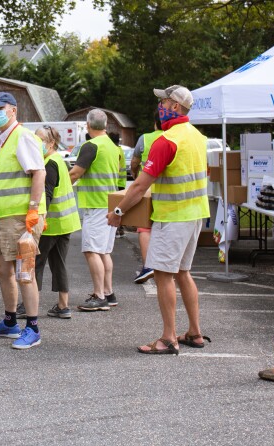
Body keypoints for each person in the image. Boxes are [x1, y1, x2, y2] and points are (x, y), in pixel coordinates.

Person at [108, 85, 210, 354]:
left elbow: (140, 186)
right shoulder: (198, 137)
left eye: (163, 101)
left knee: (164, 275)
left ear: (175, 107)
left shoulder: (167, 140)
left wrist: (118, 213)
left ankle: (168, 338)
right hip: (195, 214)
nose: (160, 107)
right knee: (183, 273)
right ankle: (195, 332)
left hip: (172, 217)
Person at [0, 92, 47, 350]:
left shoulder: (22, 137)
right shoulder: (2, 141)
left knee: (25, 272)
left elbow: (39, 173)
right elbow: (3, 183)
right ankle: (10, 322)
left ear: (13, 111)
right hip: (6, 218)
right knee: (2, 267)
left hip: (22, 218)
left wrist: (33, 210)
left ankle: (33, 328)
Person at [70, 109, 121, 311]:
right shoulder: (112, 145)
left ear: (87, 125)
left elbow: (76, 172)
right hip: (110, 203)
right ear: (106, 125)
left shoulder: (90, 146)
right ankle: (108, 293)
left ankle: (99, 296)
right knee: (104, 252)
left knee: (92, 251)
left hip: (96, 205)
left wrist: (57, 184)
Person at [31, 126, 81, 319]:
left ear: (51, 143)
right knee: (58, 263)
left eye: (40, 140)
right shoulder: (58, 160)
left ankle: (28, 306)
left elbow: (47, 195)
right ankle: (63, 306)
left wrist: (38, 220)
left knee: (35, 263)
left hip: (51, 224)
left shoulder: (49, 164)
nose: (37, 143)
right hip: (65, 222)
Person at [129, 113, 163, 284]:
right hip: (167, 190)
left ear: (154, 123)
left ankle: (148, 266)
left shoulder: (145, 139)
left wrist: (135, 175)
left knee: (144, 228)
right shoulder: (172, 137)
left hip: (146, 188)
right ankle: (165, 266)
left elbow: (134, 162)